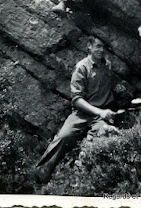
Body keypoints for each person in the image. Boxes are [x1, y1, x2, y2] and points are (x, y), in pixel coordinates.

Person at [33, 35, 119, 184]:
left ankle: (88, 179)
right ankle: (39, 174)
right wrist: (99, 111)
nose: (101, 50)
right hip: (81, 114)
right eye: (98, 46)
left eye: (103, 47)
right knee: (64, 136)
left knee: (104, 134)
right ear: (89, 46)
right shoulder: (82, 67)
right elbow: (77, 99)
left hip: (100, 115)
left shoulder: (108, 65)